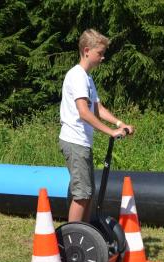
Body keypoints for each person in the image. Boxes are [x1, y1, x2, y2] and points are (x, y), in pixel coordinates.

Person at [59, 29, 134, 223]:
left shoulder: (87, 78)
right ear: (86, 50)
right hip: (74, 141)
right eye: (99, 53)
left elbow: (97, 107)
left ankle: (83, 233)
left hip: (82, 142)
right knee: (82, 194)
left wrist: (119, 123)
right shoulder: (76, 76)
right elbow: (84, 112)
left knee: (87, 193)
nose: (102, 57)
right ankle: (72, 239)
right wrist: (111, 132)